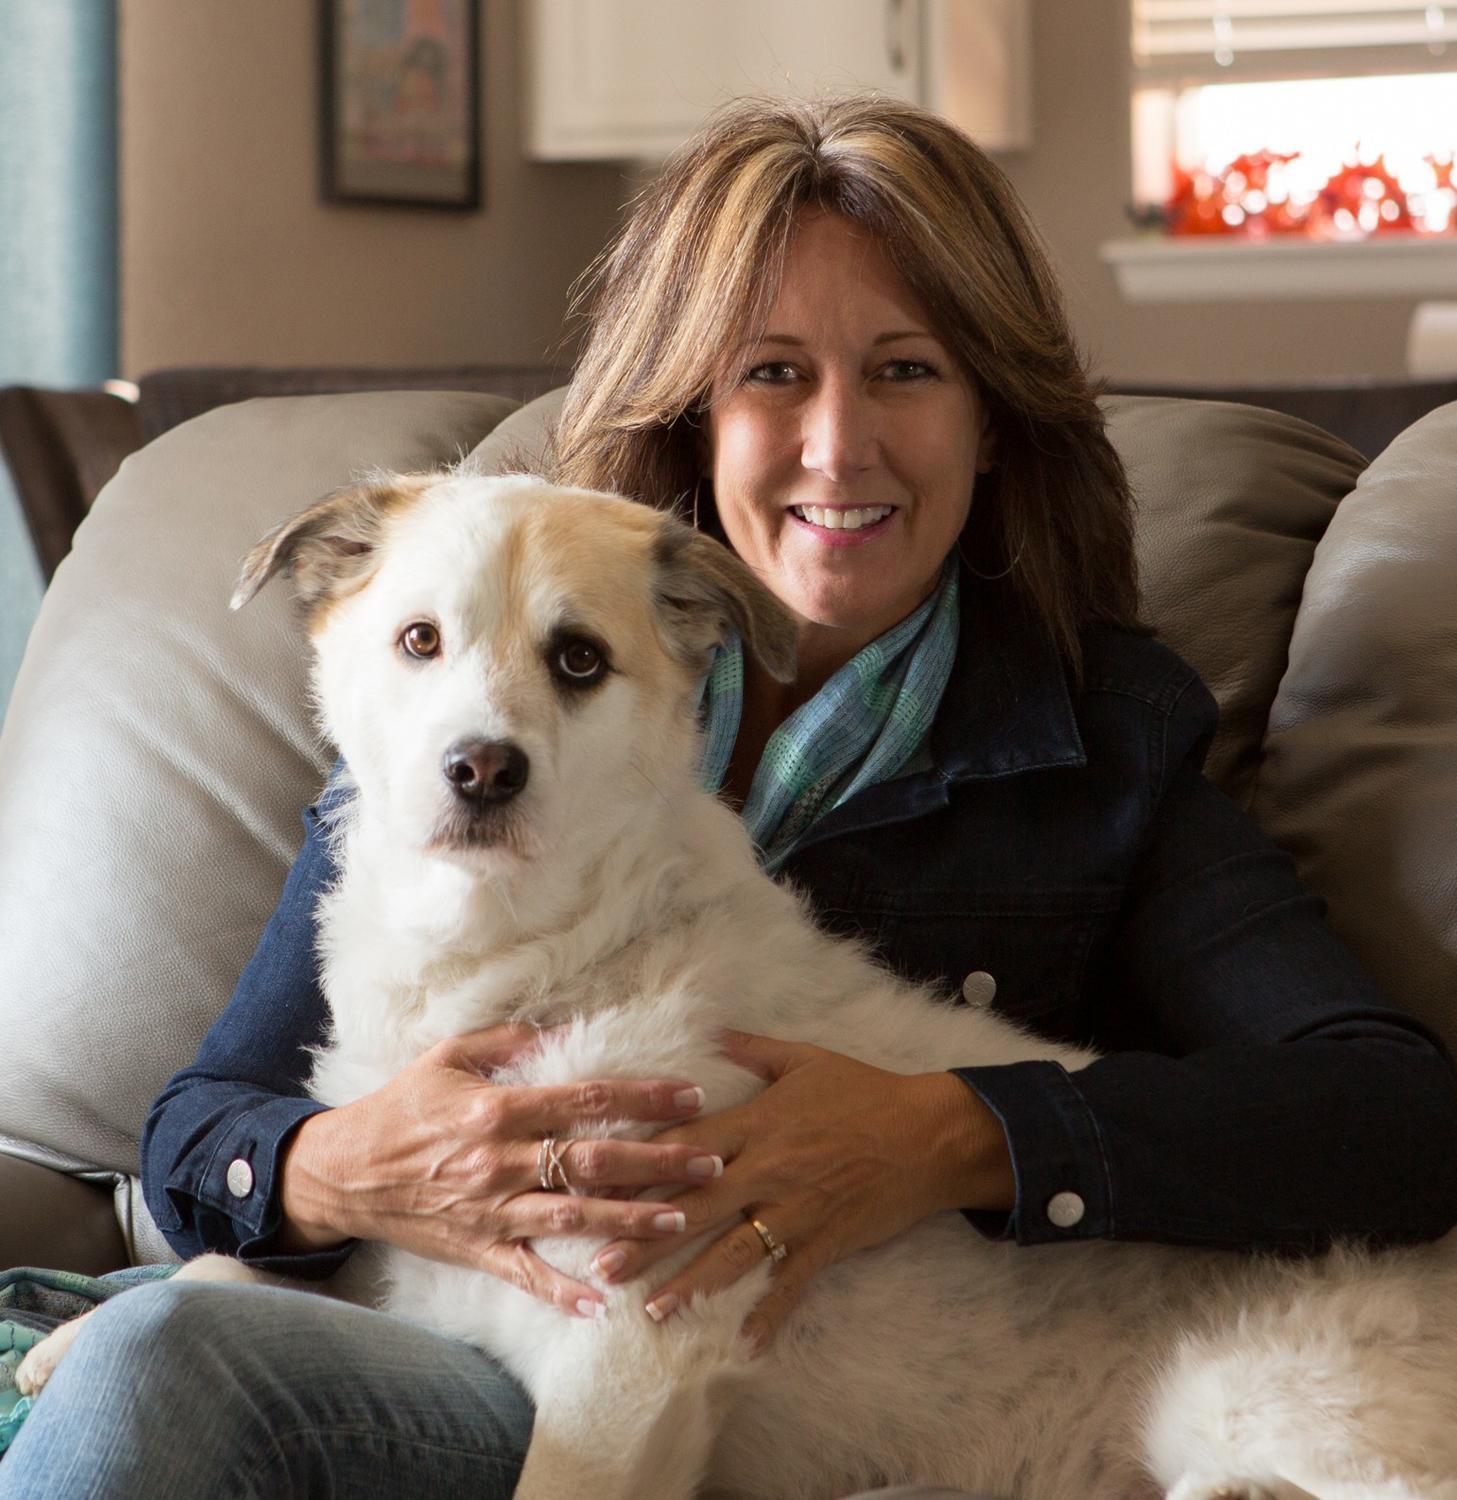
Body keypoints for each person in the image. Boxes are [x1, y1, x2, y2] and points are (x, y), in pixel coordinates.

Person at [4, 93, 1456, 1500]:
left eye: (906, 369)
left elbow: (1393, 1117)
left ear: (993, 420)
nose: (839, 442)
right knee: (160, 1350)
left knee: (162, 1364)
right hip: (497, 1364)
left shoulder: (1098, 737)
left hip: (1031, 1383)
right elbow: (204, 1128)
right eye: (772, 372)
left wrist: (950, 1134)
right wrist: (340, 1170)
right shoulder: (452, 728)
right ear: (694, 410)